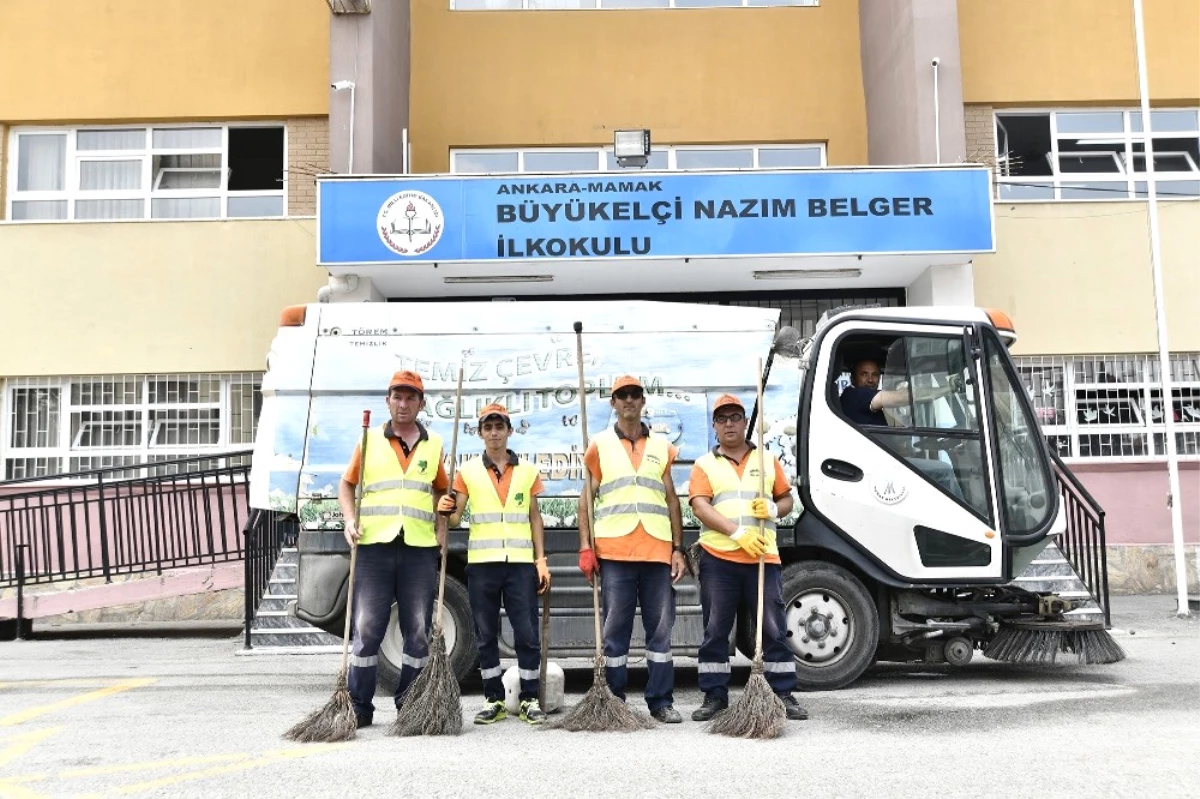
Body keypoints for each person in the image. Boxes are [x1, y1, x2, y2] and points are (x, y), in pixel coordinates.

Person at [338, 370, 449, 729]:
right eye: (397, 397)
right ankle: (358, 707)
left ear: (421, 403)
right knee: (367, 627)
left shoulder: (434, 445)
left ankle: (410, 707)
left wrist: (442, 526)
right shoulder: (368, 440)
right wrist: (349, 519)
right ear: (388, 401)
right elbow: (346, 484)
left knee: (417, 629)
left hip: (418, 548)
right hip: (374, 546)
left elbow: (440, 491)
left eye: (411, 398)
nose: (403, 404)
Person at [687, 394, 808, 722]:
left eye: (735, 417)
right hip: (719, 558)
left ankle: (782, 692)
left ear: (745, 423)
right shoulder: (704, 465)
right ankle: (714, 695)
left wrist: (773, 508)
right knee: (715, 630)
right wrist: (736, 533)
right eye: (722, 418)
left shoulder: (767, 460)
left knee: (773, 628)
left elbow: (786, 500)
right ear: (714, 426)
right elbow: (700, 505)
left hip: (762, 558)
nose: (729, 423)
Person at [577, 375, 688, 724]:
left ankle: (660, 702)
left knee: (660, 631)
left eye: (634, 395)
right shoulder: (599, 446)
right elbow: (585, 503)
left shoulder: (662, 447)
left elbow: (671, 500)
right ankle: (614, 701)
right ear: (613, 403)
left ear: (643, 402)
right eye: (621, 396)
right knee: (615, 632)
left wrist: (677, 549)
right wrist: (585, 547)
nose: (628, 401)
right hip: (615, 553)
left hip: (656, 552)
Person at [437, 404, 551, 726]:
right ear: (481, 433)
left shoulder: (527, 471)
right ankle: (494, 699)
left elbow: (534, 517)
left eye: (499, 426)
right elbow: (457, 517)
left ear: (509, 431)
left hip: (518, 566)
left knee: (527, 634)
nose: (494, 432)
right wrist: (444, 508)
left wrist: (540, 560)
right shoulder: (468, 472)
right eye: (488, 427)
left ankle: (529, 699)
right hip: (482, 565)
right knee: (485, 635)